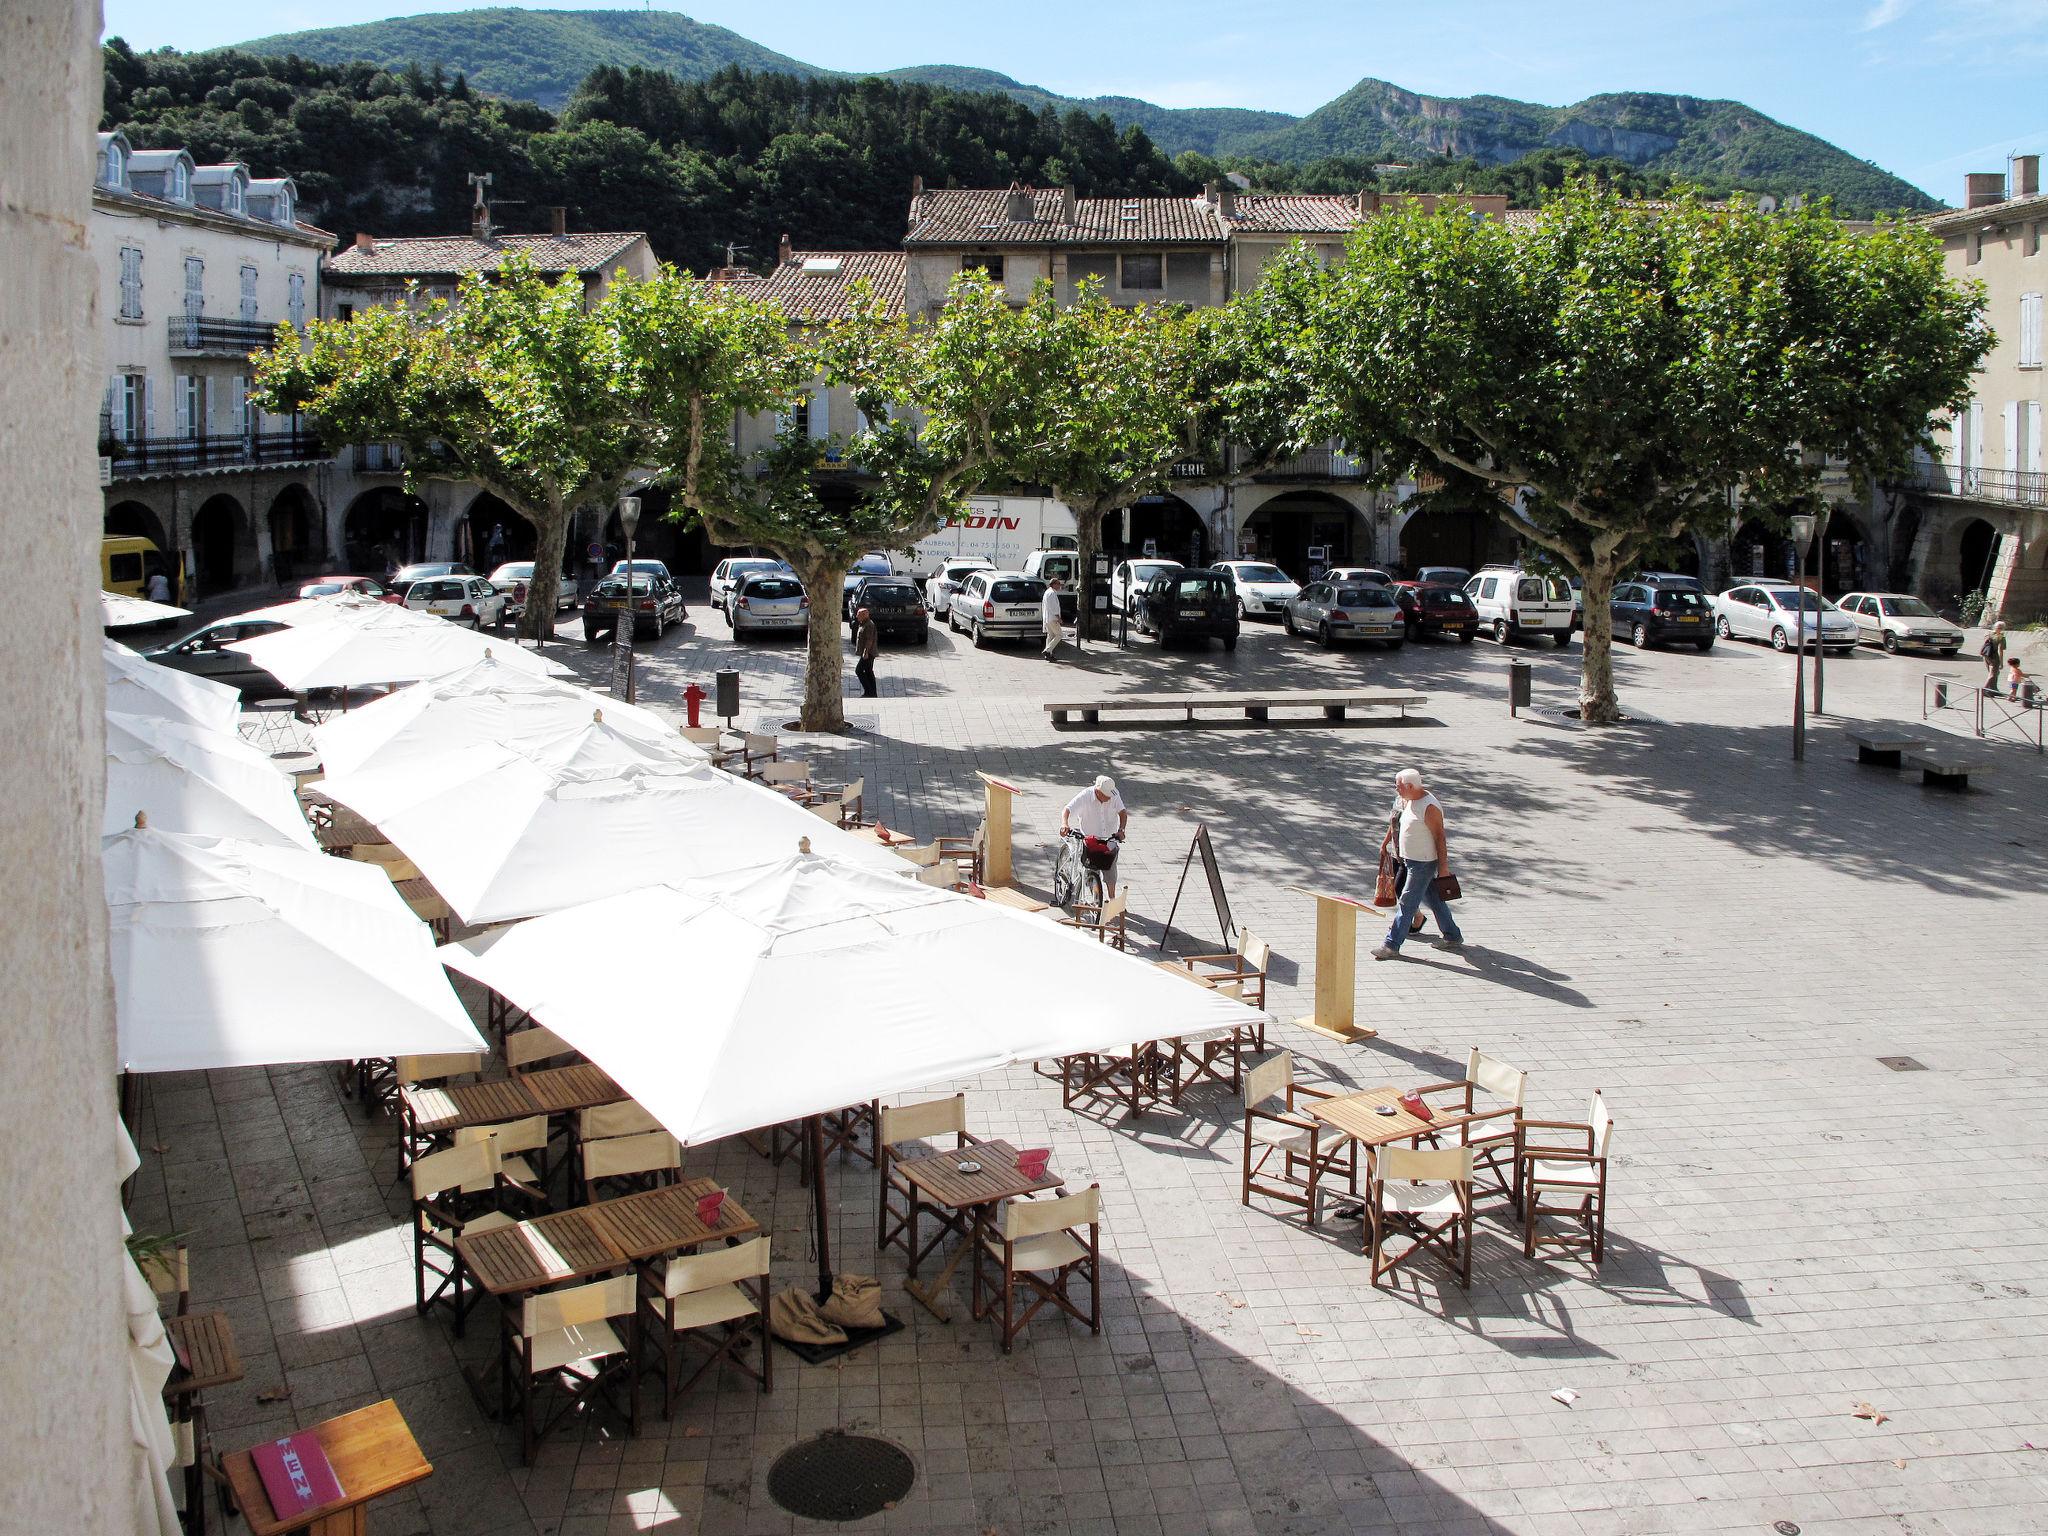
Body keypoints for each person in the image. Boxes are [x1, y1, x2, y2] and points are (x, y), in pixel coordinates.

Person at [1373, 768, 1463, 960]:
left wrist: (1443, 868)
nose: (1396, 790)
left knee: (1407, 902)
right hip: (1411, 860)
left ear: (1410, 786)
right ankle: (1453, 935)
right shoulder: (1409, 800)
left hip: (1423, 863)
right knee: (1435, 901)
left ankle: (1391, 944)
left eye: (1398, 787)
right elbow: (1396, 824)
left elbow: (1440, 838)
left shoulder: (1429, 806)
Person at [1061, 774, 1128, 898]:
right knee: (1091, 872)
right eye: (1106, 796)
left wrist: (1121, 830)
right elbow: (1067, 809)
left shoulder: (1114, 794)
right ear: (1098, 791)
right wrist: (1065, 824)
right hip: (1090, 841)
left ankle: (1112, 900)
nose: (1109, 798)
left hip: (1109, 840)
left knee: (1111, 873)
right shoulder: (1085, 795)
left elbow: (1123, 812)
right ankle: (1097, 901)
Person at [852, 605, 879, 698]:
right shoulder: (863, 623)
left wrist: (865, 652)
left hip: (869, 653)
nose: (856, 616)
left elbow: (869, 640)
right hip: (866, 652)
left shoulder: (869, 625)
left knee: (859, 670)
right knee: (868, 671)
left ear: (864, 615)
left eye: (858, 615)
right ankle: (872, 693)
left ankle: (869, 692)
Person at [1042, 578, 1066, 662]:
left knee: (1051, 636)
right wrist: (1058, 618)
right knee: (1059, 635)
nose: (1060, 586)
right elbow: (1053, 607)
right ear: (1054, 584)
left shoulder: (1047, 592)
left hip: (1047, 618)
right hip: (1052, 618)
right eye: (1058, 584)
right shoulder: (1051, 593)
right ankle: (1048, 650)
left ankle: (1049, 654)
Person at [1982, 621, 2007, 691]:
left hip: (1986, 655)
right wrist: (2001, 663)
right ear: (2003, 628)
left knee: (1995, 673)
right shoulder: (2001, 637)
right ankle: (1984, 690)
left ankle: (1993, 689)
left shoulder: (1987, 633)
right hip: (1994, 656)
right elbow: (2001, 650)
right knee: (1992, 674)